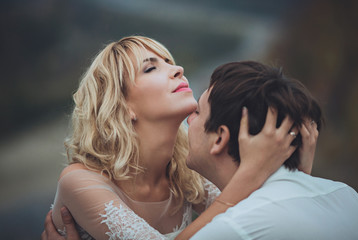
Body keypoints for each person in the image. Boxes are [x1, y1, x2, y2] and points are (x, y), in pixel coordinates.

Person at [41, 36, 313, 240]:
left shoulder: (185, 169)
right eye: (150, 68)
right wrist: (250, 173)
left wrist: (300, 172)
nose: (178, 69)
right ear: (123, 106)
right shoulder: (79, 181)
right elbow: (237, 198)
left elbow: (259, 208)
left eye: (170, 62)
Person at [183, 61, 358, 239]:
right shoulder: (346, 195)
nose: (189, 119)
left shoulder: (234, 228)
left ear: (220, 138)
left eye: (197, 112)